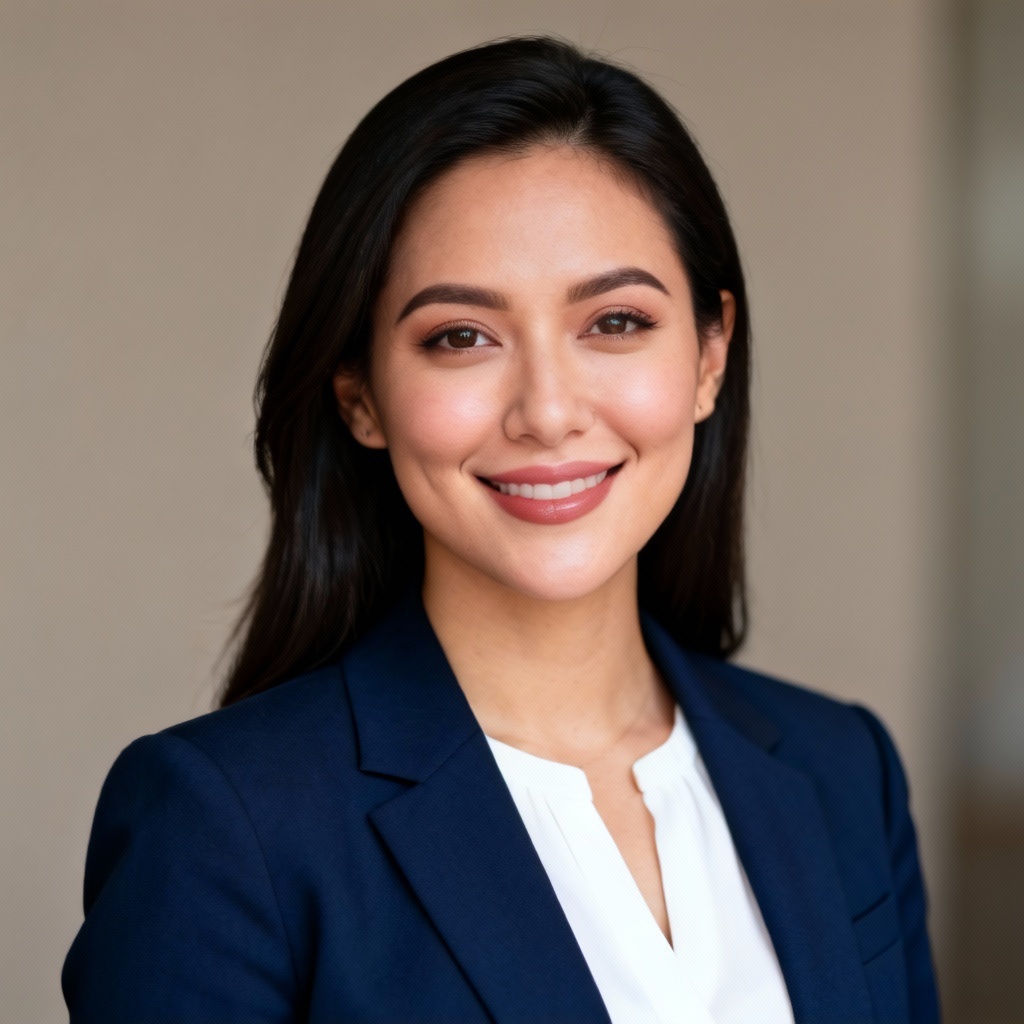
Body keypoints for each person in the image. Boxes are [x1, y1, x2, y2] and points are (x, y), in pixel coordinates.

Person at [62, 36, 940, 1024]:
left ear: (708, 353)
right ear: (360, 396)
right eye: (460, 336)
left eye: (614, 321)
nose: (548, 410)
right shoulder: (226, 824)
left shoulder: (840, 770)